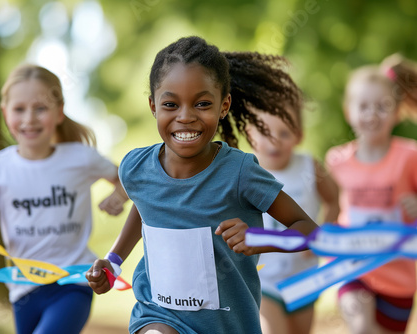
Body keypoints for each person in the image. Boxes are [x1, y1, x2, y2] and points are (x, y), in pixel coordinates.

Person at [85, 36, 319, 334]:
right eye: (171, 104)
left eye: (202, 104)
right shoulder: (136, 167)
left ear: (224, 106)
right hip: (158, 315)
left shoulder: (240, 172)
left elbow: (309, 229)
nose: (185, 116)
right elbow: (144, 208)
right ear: (153, 106)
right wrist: (113, 261)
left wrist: (260, 239)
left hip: (229, 324)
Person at [0, 64, 129, 334]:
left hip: (73, 283)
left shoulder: (80, 158)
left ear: (59, 111)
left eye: (40, 108)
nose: (29, 119)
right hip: (22, 291)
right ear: (5, 113)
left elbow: (127, 179)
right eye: (19, 109)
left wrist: (119, 196)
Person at [222, 51, 340, 334]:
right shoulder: (245, 169)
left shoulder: (310, 165)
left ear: (298, 134)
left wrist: (323, 234)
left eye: (284, 133)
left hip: (305, 275)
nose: (275, 142)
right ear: (250, 133)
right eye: (266, 133)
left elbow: (334, 199)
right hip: (265, 277)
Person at [325, 54, 417, 334]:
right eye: (363, 106)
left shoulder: (409, 156)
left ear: (397, 111)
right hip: (353, 269)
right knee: (361, 327)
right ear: (348, 111)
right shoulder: (336, 161)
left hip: (399, 277)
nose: (371, 114)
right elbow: (328, 208)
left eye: (382, 106)